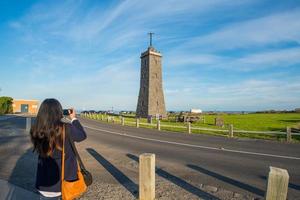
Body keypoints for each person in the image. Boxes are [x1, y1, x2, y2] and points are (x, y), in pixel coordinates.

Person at [30, 98, 87, 199]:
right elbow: (82, 135)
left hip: (43, 184)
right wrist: (74, 119)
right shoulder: (66, 128)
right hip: (62, 185)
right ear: (59, 112)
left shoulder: (36, 129)